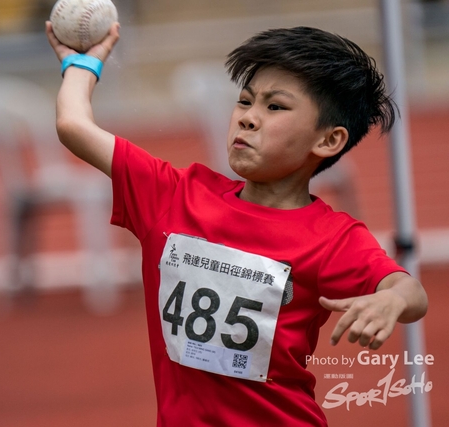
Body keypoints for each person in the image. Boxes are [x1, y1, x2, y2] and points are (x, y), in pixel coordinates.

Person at [45, 22, 428, 427]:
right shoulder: (174, 195)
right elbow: (73, 126)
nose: (248, 118)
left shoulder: (332, 238)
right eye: (245, 102)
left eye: (275, 107)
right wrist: (82, 63)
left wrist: (392, 300)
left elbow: (409, 290)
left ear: (328, 141)